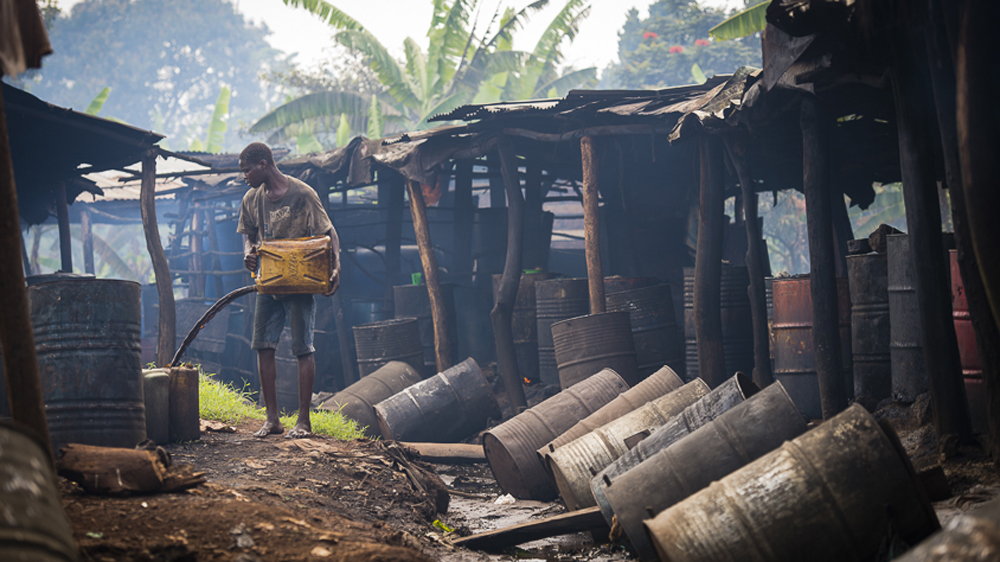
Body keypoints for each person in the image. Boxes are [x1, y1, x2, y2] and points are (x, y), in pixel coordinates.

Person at [237, 142, 340, 438]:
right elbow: (248, 235)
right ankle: (273, 420)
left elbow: (329, 232)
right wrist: (249, 252)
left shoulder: (303, 193)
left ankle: (303, 421)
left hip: (300, 281)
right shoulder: (250, 199)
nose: (245, 177)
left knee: (302, 349)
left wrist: (336, 267)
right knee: (263, 347)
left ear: (264, 165)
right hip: (268, 283)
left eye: (247, 170)